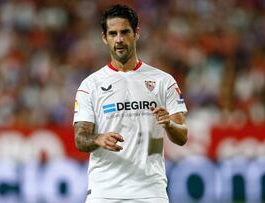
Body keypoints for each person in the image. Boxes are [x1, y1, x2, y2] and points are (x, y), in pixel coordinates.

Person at [73, 4, 188, 203]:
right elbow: (80, 139)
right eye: (113, 33)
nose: (119, 39)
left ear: (136, 34)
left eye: (125, 32)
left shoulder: (164, 81)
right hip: (105, 193)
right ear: (104, 38)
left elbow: (182, 136)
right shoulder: (89, 85)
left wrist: (169, 124)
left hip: (151, 192)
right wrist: (98, 139)